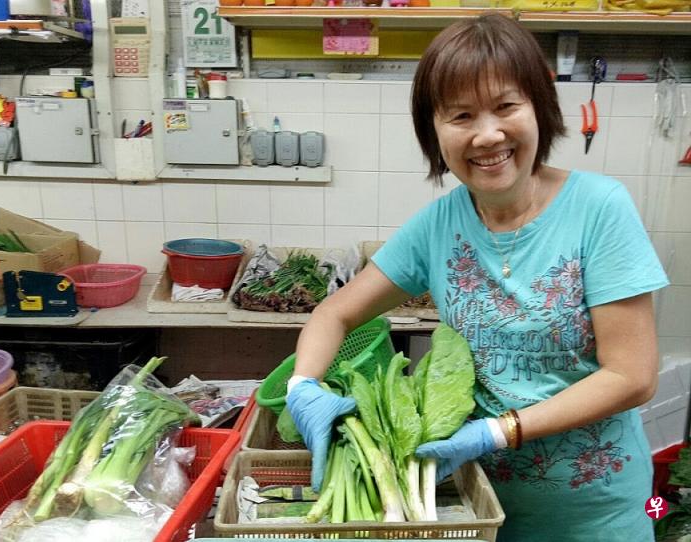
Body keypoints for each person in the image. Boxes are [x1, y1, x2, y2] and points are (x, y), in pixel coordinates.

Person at [285, 13, 668, 541]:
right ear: (434, 133)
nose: (488, 135)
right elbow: (335, 312)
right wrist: (304, 384)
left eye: (507, 106)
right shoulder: (437, 226)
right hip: (472, 507)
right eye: (461, 115)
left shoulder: (600, 209)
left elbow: (633, 375)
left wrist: (499, 430)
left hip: (595, 511)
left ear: (540, 107)